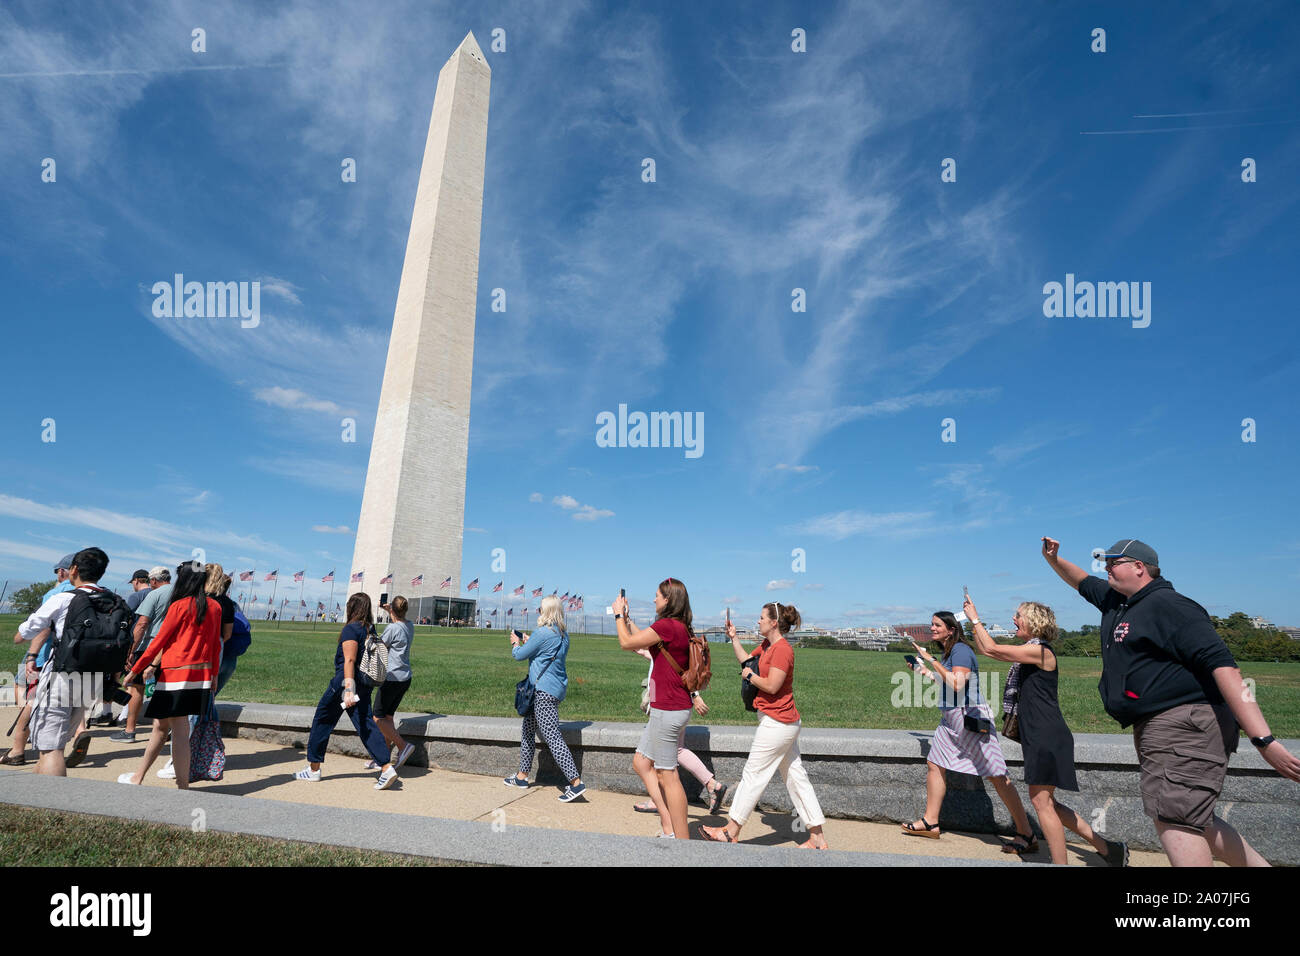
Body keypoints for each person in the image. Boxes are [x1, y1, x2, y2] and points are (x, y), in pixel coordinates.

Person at [1042, 536, 1300, 866]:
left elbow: (1226, 670)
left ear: (1139, 567)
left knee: (1175, 819)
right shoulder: (1117, 601)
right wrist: (1053, 559)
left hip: (1183, 725)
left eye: (1113, 562)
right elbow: (1080, 579)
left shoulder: (1170, 605)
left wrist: (1264, 741)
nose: (1105, 567)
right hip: (1162, 726)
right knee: (1194, 820)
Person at [965, 593, 1128, 866]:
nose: (1013, 619)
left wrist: (976, 619)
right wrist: (974, 623)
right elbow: (986, 649)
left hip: (1047, 735)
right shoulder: (1032, 650)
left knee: (1042, 804)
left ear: (1034, 622)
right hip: (1040, 734)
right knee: (1048, 803)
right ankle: (1108, 849)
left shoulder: (1041, 652)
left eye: (1018, 616)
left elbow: (993, 649)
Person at [901, 611, 1035, 852]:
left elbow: (957, 683)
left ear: (951, 629)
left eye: (937, 625)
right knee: (935, 764)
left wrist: (931, 659)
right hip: (951, 720)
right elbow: (946, 680)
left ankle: (1027, 832)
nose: (932, 628)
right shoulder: (949, 651)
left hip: (970, 718)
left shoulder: (961, 650)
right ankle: (931, 822)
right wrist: (923, 670)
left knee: (996, 774)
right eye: (931, 624)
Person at [700, 602, 829, 848]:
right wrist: (734, 638)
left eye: (761, 618)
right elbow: (748, 661)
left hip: (778, 723)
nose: (757, 621)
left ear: (773, 622)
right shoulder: (768, 645)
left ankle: (731, 831)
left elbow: (771, 685)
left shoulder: (783, 650)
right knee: (795, 778)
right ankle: (817, 838)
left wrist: (750, 677)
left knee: (753, 774)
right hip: (781, 722)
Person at [117, 562, 222, 788]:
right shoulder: (214, 607)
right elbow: (215, 645)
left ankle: (149, 779)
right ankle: (154, 779)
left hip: (174, 675)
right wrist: (213, 675)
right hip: (200, 676)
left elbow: (158, 642)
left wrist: (135, 669)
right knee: (167, 729)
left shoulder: (179, 605)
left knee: (171, 729)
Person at [20, 548, 119, 776]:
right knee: (56, 741)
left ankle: (57, 804)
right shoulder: (111, 600)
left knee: (52, 748)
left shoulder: (64, 597)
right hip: (92, 675)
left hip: (62, 672)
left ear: (73, 569)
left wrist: (30, 651)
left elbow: (30, 629)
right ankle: (36, 795)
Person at [613, 578, 695, 839]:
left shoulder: (667, 626)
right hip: (670, 707)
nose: (654, 599)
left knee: (668, 776)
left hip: (668, 709)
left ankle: (682, 842)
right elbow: (641, 640)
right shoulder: (678, 627)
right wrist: (627, 619)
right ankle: (669, 826)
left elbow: (626, 643)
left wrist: (617, 615)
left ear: (668, 599)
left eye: (657, 595)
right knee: (641, 763)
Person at [294, 593, 399, 790]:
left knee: (322, 720)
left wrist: (348, 689)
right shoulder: (369, 628)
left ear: (352, 607)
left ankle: (314, 769)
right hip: (364, 684)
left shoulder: (351, 629)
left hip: (345, 683)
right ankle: (386, 767)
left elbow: (349, 660)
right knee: (365, 724)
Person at [504, 595, 586, 801]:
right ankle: (522, 776)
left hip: (542, 691)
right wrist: (530, 641)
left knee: (551, 735)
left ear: (546, 612)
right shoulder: (563, 635)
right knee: (528, 730)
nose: (538, 612)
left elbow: (519, 656)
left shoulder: (542, 633)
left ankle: (576, 783)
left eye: (540, 609)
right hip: (554, 689)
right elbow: (548, 652)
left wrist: (516, 643)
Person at [630, 646, 727, 815]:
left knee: (647, 759)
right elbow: (642, 649)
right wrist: (627, 625)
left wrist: (695, 695)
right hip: (676, 708)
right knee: (678, 750)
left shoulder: (670, 645)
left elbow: (683, 670)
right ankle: (712, 785)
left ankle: (661, 802)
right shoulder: (661, 649)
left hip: (666, 708)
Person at [113, 566, 172, 744]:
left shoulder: (155, 594)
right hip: (169, 647)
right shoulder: (180, 592)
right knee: (164, 689)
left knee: (136, 687)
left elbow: (142, 623)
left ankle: (130, 729)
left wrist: (131, 650)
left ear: (153, 580)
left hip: (149, 645)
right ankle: (163, 729)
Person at [367, 595, 416, 770]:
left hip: (391, 678)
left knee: (377, 718)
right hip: (405, 678)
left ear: (393, 611)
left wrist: (370, 634)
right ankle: (383, 757)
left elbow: (378, 647)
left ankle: (403, 746)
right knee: (388, 718)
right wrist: (390, 611)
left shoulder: (391, 629)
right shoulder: (410, 626)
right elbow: (400, 622)